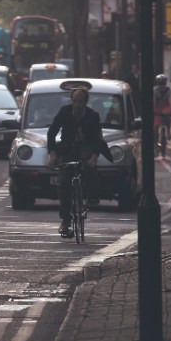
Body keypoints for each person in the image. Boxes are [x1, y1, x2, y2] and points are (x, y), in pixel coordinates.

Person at [46, 87, 114, 238]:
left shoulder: (93, 116)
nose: (77, 105)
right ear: (71, 101)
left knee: (89, 168)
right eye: (75, 101)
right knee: (63, 182)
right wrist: (52, 153)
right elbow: (52, 132)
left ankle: (92, 196)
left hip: (86, 147)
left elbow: (97, 139)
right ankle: (65, 220)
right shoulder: (64, 112)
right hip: (68, 149)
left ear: (85, 102)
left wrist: (94, 157)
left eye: (80, 102)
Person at [153, 73, 171, 143]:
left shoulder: (168, 91)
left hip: (164, 108)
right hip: (158, 108)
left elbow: (170, 101)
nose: (162, 84)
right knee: (156, 125)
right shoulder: (155, 90)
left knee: (157, 125)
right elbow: (153, 101)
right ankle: (156, 141)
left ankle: (168, 131)